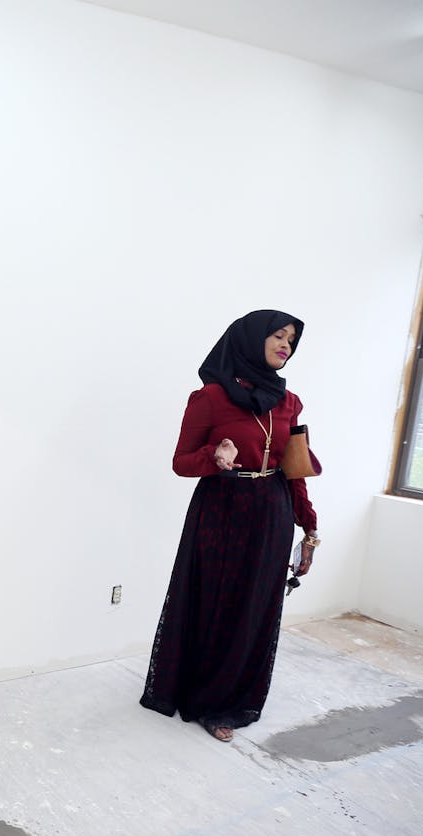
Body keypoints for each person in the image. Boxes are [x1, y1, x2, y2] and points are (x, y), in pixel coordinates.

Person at [139, 310, 320, 743]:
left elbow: (294, 470)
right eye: (277, 335)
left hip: (271, 513)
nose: (285, 345)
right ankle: (201, 698)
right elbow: (181, 462)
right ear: (249, 339)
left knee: (254, 607)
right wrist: (213, 458)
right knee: (215, 601)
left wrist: (309, 529)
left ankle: (231, 700)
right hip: (221, 509)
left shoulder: (289, 401)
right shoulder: (211, 398)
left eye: (291, 340)